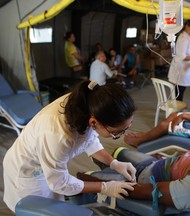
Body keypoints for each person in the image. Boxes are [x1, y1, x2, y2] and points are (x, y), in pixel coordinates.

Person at [3, 80, 137, 212]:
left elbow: (89, 140)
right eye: (116, 133)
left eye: (127, 127)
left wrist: (114, 163)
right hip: (28, 171)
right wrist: (104, 187)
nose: (122, 134)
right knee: (39, 211)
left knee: (56, 205)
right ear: (94, 122)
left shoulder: (88, 103)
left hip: (48, 163)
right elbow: (59, 183)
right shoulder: (58, 135)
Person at [83, 112, 190, 210]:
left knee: (82, 180)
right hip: (155, 165)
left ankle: (98, 180)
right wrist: (167, 160)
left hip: (142, 181)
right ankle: (108, 169)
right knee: (118, 153)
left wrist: (98, 185)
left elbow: (146, 191)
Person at [168, 19, 190, 101]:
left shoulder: (188, 37)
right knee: (179, 92)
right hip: (180, 69)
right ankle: (176, 110)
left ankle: (177, 109)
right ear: (187, 26)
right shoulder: (183, 38)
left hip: (184, 70)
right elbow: (182, 56)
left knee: (180, 91)